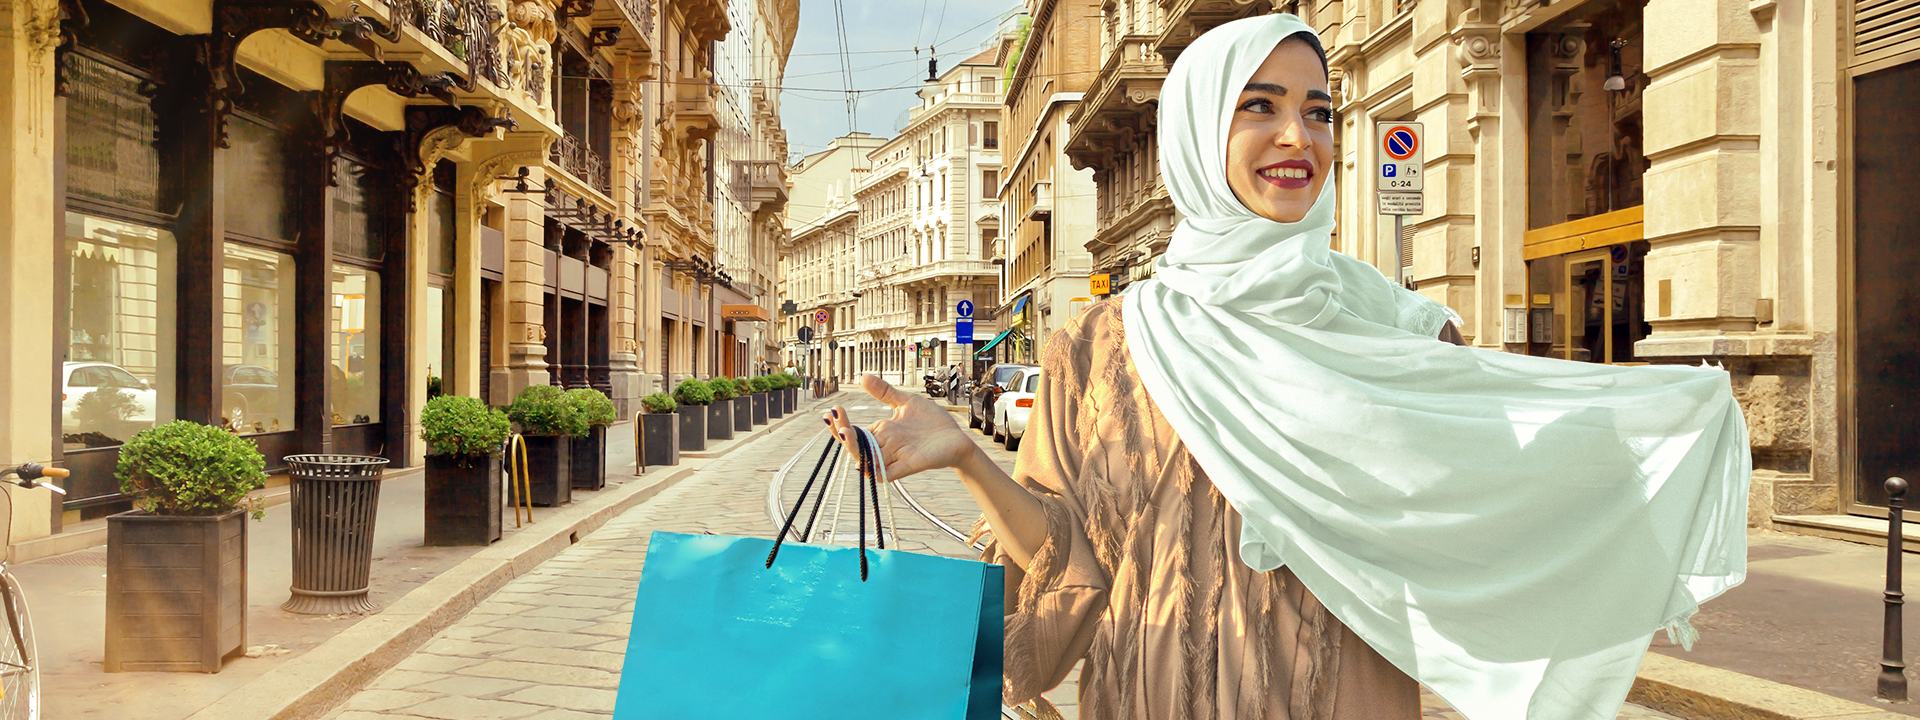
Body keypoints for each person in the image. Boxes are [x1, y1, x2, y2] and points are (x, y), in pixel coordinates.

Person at [826, 13, 1748, 720]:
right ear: (1195, 131)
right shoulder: (1108, 342)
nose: (1296, 137)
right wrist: (967, 457)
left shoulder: (1396, 331)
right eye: (1257, 106)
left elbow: (1498, 504)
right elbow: (1071, 565)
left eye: (1317, 111)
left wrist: (1670, 424)